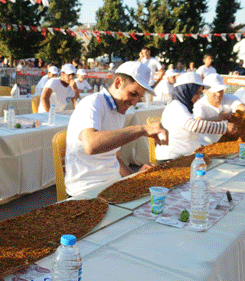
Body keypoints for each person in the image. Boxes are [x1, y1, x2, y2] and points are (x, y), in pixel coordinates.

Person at [64, 61, 168, 196]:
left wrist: (134, 178)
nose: (135, 102)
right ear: (118, 83)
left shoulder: (118, 110)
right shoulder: (92, 103)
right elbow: (91, 145)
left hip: (112, 186)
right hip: (86, 192)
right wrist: (142, 129)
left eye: (139, 97)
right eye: (133, 94)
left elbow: (114, 157)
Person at [155, 72, 233, 160]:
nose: (199, 97)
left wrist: (216, 118)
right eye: (196, 93)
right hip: (172, 159)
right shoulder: (176, 107)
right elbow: (194, 125)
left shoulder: (186, 107)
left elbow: (197, 122)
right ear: (185, 91)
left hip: (187, 156)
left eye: (200, 93)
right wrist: (224, 127)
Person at [192, 73, 244, 145]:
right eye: (215, 91)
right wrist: (217, 118)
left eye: (221, 91)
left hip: (227, 143)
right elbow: (198, 123)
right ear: (205, 91)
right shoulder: (199, 104)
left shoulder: (231, 98)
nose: (219, 94)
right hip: (206, 144)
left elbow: (243, 109)